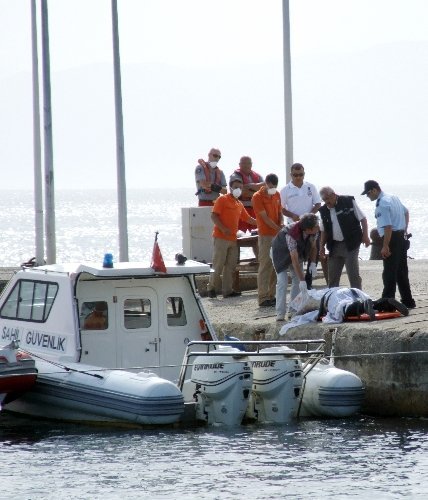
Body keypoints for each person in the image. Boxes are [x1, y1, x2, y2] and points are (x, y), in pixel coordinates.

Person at [361, 180, 416, 308]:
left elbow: (387, 226)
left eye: (368, 194)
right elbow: (406, 212)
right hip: (401, 236)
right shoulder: (393, 197)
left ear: (374, 190)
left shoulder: (382, 204)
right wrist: (405, 230)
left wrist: (385, 246)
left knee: (389, 272)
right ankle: (408, 300)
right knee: (401, 271)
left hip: (392, 238)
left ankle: (387, 302)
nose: (368, 196)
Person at [207, 175, 257, 298]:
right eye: (236, 187)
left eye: (240, 187)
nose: (238, 190)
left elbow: (248, 219)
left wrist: (262, 222)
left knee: (230, 266)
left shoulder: (239, 204)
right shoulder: (222, 200)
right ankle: (211, 288)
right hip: (221, 238)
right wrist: (223, 229)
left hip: (233, 240)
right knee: (218, 264)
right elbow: (214, 216)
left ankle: (227, 291)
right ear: (230, 187)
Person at [280, 162, 325, 281]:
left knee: (313, 247)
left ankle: (310, 279)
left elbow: (318, 203)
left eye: (301, 174)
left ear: (304, 174)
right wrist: (292, 215)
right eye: (295, 175)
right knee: (298, 252)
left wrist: (310, 215)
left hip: (310, 224)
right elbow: (282, 208)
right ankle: (299, 279)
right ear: (291, 175)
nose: (298, 177)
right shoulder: (285, 190)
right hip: (294, 226)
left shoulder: (310, 187)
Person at [318, 186, 370, 289]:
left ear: (334, 195)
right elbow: (323, 231)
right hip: (334, 246)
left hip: (351, 244)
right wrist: (321, 246)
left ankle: (358, 300)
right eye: (324, 200)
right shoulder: (323, 211)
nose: (327, 202)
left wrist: (365, 236)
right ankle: (333, 300)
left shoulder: (348, 201)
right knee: (332, 277)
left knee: (353, 274)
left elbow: (363, 219)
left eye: (328, 199)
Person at [271, 213, 319, 321]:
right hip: (280, 253)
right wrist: (303, 280)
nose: (318, 227)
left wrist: (313, 263)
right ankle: (280, 313)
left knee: (296, 281)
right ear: (307, 229)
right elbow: (294, 259)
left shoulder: (314, 231)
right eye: (315, 226)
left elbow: (313, 247)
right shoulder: (291, 233)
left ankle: (293, 311)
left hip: (297, 252)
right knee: (282, 282)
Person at [252, 173, 283, 307]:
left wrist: (281, 223)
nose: (273, 189)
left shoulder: (277, 194)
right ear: (266, 184)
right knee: (265, 265)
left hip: (277, 234)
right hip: (265, 235)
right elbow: (264, 217)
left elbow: (280, 212)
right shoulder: (257, 197)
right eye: (271, 186)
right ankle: (263, 297)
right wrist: (278, 228)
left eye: (275, 186)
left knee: (275, 265)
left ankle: (272, 294)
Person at [233, 156, 264, 232]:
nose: (246, 165)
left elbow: (263, 191)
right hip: (241, 210)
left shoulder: (258, 176)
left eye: (248, 163)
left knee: (256, 235)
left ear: (251, 164)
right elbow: (242, 193)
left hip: (255, 210)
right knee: (242, 235)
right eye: (244, 163)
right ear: (239, 164)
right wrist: (256, 189)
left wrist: (249, 186)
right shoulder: (235, 176)